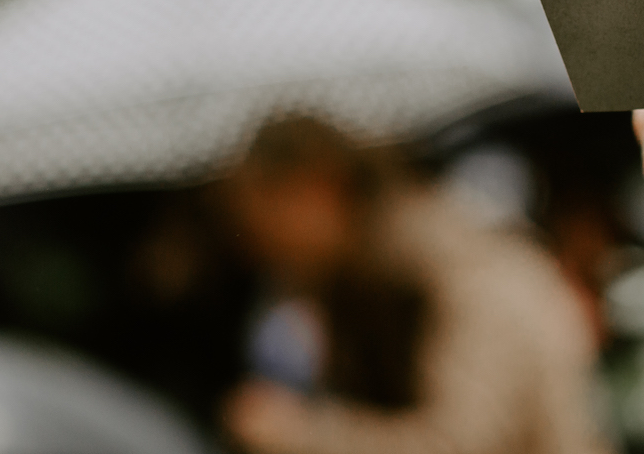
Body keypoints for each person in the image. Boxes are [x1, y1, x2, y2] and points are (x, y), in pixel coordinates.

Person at [216, 116, 609, 454]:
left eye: (262, 229)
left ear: (321, 187)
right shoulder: (357, 285)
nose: (258, 251)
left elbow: (463, 446)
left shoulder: (466, 272)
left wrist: (303, 433)